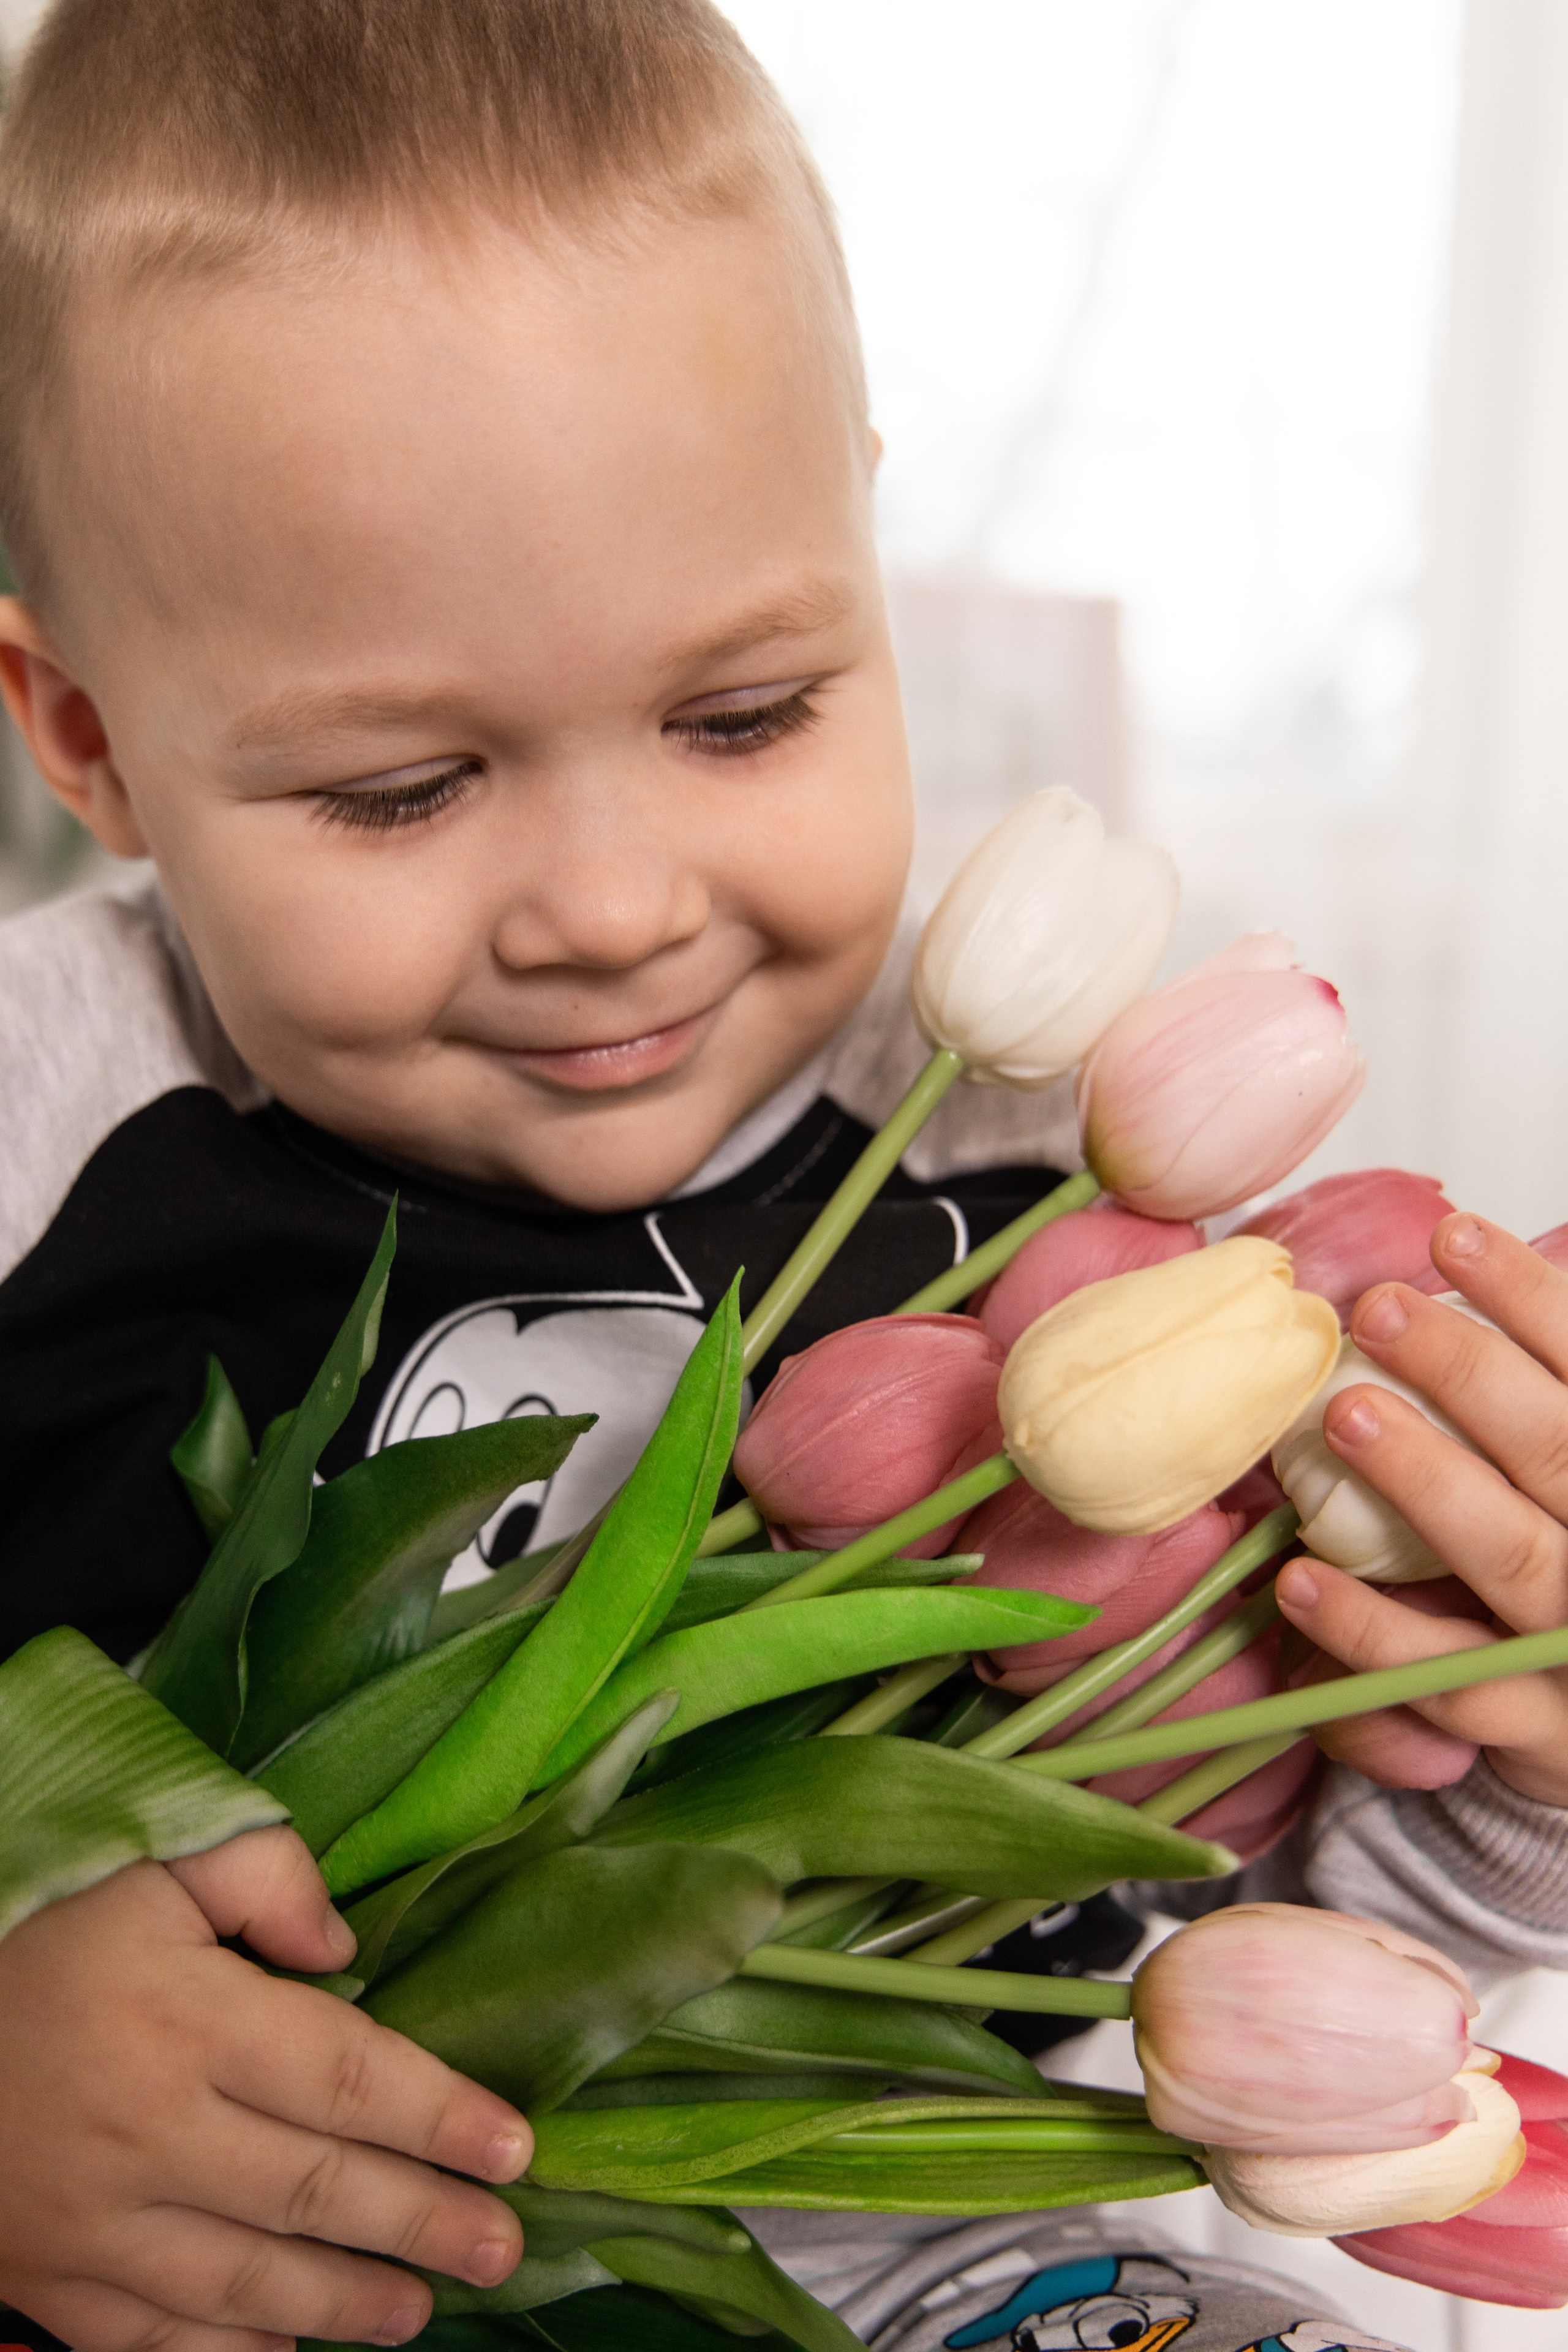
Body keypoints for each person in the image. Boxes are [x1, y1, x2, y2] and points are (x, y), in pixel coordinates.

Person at [0, 7, 1561, 2350]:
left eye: (744, 716)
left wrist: (1512, 1743)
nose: (613, 905)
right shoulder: (49, 1105)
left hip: (953, 2254)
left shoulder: (1040, 1149)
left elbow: (1282, 1929)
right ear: (91, 741)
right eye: (403, 790)